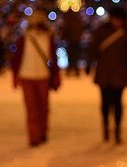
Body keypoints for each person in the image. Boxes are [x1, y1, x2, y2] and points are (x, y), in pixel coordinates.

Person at [86, 6, 127, 144]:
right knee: (105, 102)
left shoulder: (126, 34)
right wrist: (88, 64)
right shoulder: (102, 31)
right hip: (104, 72)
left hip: (119, 74)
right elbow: (93, 48)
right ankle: (105, 125)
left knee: (117, 103)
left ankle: (116, 129)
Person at [10, 11, 61, 147]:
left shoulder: (48, 39)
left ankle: (42, 132)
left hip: (43, 76)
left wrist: (56, 75)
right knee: (32, 108)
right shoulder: (24, 39)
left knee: (43, 107)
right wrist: (15, 76)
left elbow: (53, 59)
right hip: (27, 76)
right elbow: (17, 59)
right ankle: (34, 136)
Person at [60, 10, 83, 76]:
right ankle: (76, 70)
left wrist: (62, 37)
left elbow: (66, 30)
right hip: (77, 41)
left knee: (71, 56)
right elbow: (80, 30)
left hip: (71, 41)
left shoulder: (69, 20)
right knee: (76, 56)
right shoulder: (77, 20)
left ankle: (70, 70)